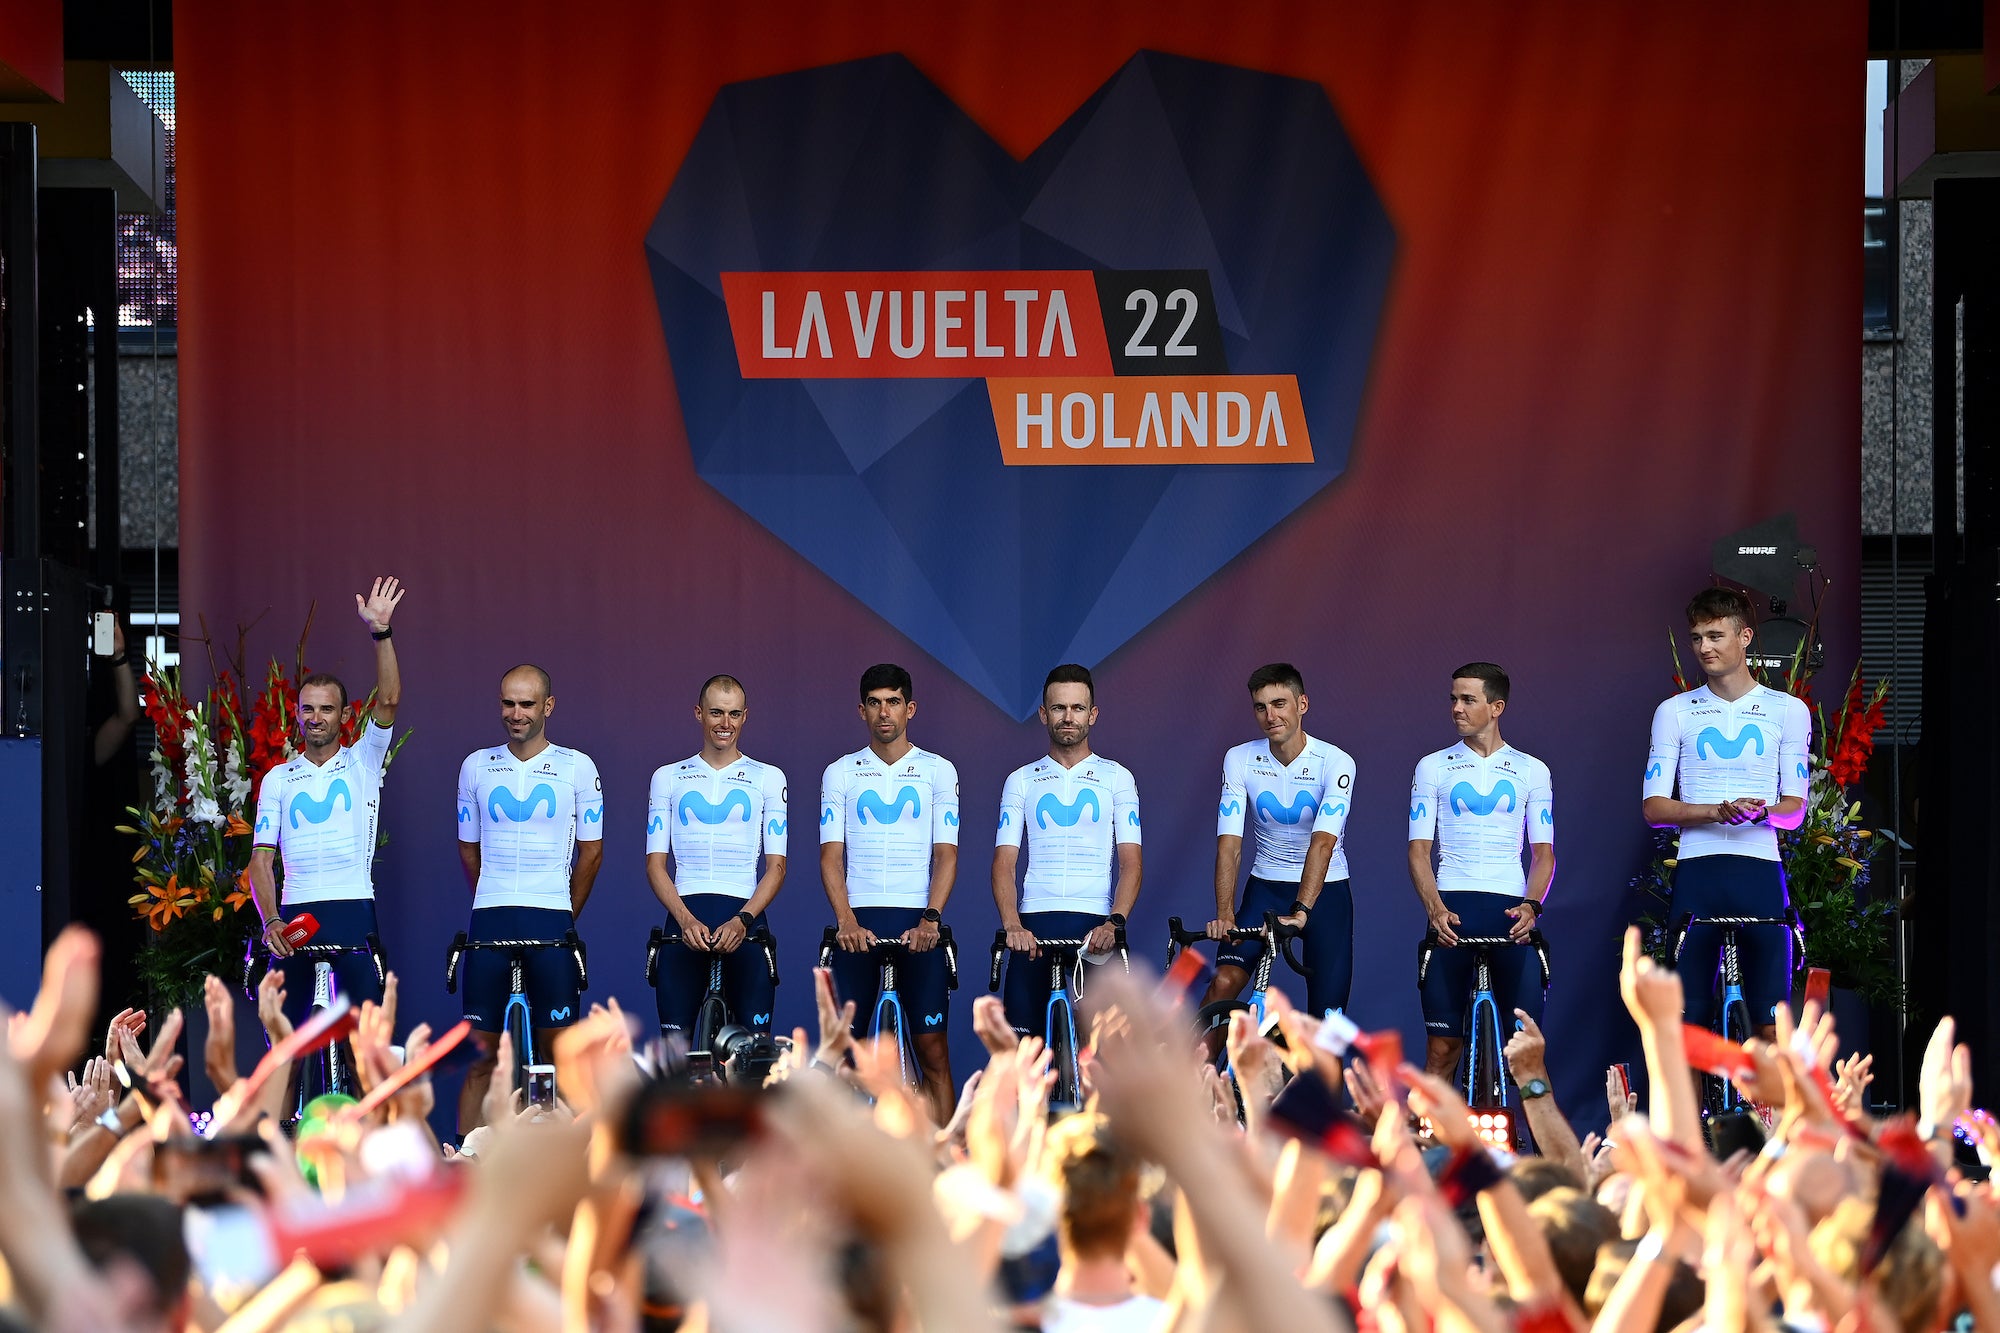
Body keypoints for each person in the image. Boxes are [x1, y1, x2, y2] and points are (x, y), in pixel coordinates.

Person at [1642, 586, 1809, 1036]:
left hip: (1759, 873)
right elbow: (1654, 808)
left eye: (1715, 636)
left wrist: (1762, 814)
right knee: (1686, 1032)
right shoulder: (1674, 711)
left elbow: (1795, 811)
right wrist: (1716, 812)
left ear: (1746, 636)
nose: (1704, 647)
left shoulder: (1788, 710)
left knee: (1771, 1027)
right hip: (1699, 874)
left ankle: (1767, 1110)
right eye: (1697, 638)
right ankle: (1685, 1111)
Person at [454, 664, 604, 1131]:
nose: (515, 714)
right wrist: (490, 897)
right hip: (490, 918)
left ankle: (569, 1167)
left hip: (551, 918)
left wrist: (565, 912)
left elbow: (592, 852)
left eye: (526, 704)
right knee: (481, 1058)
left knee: (558, 1056)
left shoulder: (578, 766)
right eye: (508, 703)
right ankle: (464, 1163)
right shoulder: (475, 765)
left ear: (548, 707)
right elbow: (468, 847)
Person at [248, 577, 404, 1024]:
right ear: (297, 715)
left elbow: (390, 699)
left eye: (327, 709)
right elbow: (260, 861)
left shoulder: (364, 760)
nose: (316, 718)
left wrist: (381, 633)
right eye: (308, 709)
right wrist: (271, 920)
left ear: (344, 715)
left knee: (364, 1047)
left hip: (353, 908)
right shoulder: (278, 778)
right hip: (296, 914)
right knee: (287, 1047)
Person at [819, 663, 961, 1125]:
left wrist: (931, 920)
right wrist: (845, 921)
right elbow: (830, 858)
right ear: (861, 711)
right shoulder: (839, 772)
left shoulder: (939, 770)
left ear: (910, 708)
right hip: (858, 923)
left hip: (919, 924)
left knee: (932, 1050)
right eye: (876, 703)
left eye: (894, 702)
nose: (885, 712)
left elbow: (946, 855)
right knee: (844, 1055)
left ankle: (943, 1166)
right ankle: (844, 1172)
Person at [1409, 661, 1555, 1077]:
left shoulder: (1533, 770)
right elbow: (1418, 851)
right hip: (1452, 907)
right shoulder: (1432, 766)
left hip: (1510, 911)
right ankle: (1426, 1143)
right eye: (1453, 698)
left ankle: (1532, 1142)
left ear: (1496, 707)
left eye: (1467, 699)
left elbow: (1543, 854)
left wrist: (1532, 905)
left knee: (1525, 1053)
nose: (1456, 707)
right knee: (1442, 1048)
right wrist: (1435, 909)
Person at [1199, 663, 1354, 1020]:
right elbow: (1230, 843)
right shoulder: (1239, 758)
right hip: (1266, 887)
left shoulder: (1336, 761)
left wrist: (1301, 912)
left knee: (1328, 1021)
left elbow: (1322, 844)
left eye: (1279, 704)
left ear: (1302, 704)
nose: (1270, 716)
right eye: (1260, 707)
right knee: (1223, 984)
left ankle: (1318, 1075)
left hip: (1325, 894)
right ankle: (1193, 1075)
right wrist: (1225, 913)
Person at [993, 664, 1140, 1037]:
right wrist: (1012, 925)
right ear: (1044, 714)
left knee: (1101, 1058)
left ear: (1093, 715)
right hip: (1033, 925)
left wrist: (1115, 922)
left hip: (1094, 925)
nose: (1068, 717)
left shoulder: (1117, 777)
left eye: (1077, 708)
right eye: (1059, 708)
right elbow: (1004, 863)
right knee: (1019, 1054)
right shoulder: (1021, 779)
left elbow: (1131, 864)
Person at [646, 674, 786, 1039]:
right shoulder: (668, 777)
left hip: (746, 920)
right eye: (716, 713)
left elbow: (777, 867)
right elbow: (655, 865)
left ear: (745, 716)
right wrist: (684, 919)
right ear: (698, 714)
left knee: (754, 1058)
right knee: (674, 1057)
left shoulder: (769, 778)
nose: (726, 724)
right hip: (684, 919)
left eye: (734, 714)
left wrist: (742, 920)